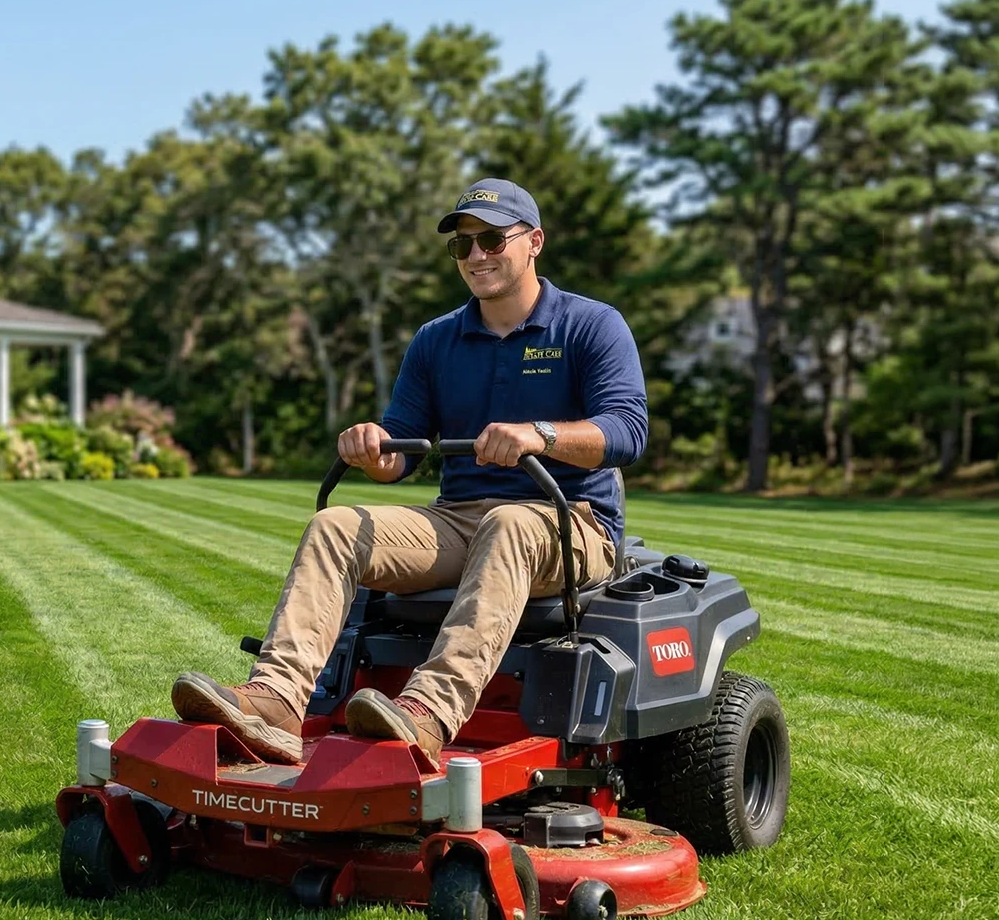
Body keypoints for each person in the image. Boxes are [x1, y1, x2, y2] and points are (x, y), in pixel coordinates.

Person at [171, 177, 647, 768]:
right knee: (337, 525)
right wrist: (373, 449)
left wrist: (539, 434)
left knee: (508, 523)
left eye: (492, 240)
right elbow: (399, 455)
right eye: (462, 246)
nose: (476, 256)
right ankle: (275, 700)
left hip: (568, 522)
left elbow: (627, 432)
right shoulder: (436, 340)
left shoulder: (592, 325)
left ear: (534, 242)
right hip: (456, 520)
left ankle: (426, 713)